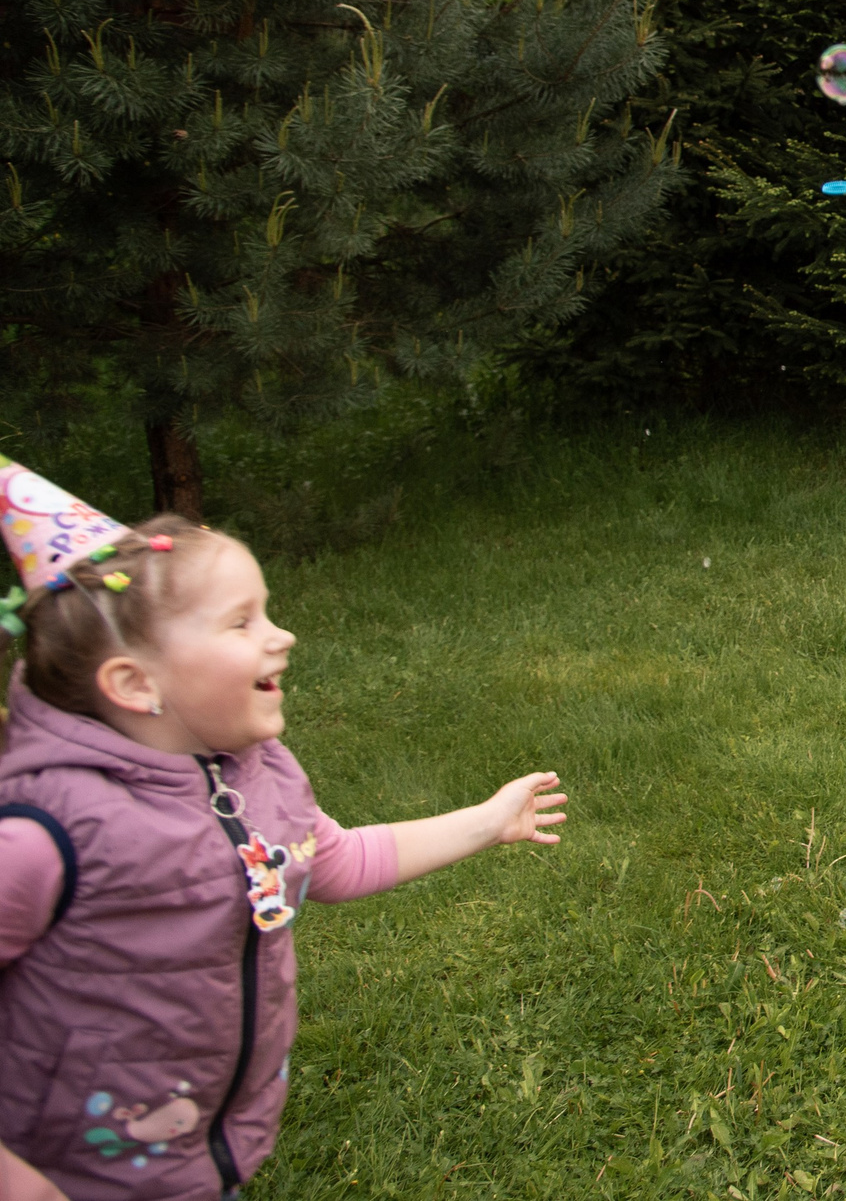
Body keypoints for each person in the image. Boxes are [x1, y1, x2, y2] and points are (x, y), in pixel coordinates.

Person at [0, 460, 566, 1201]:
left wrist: (487, 821)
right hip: (72, 1173)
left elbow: (332, 860)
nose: (283, 635)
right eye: (242, 622)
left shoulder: (252, 773)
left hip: (196, 1158)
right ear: (137, 683)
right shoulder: (46, 830)